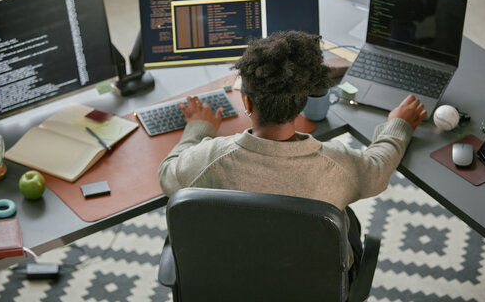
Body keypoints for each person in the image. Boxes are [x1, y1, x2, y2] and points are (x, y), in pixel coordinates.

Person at [158, 30, 427, 276]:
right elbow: (378, 168)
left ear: (247, 101)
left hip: (232, 281)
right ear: (302, 102)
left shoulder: (211, 159)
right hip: (315, 286)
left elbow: (168, 175)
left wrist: (198, 128)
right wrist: (399, 126)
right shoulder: (338, 165)